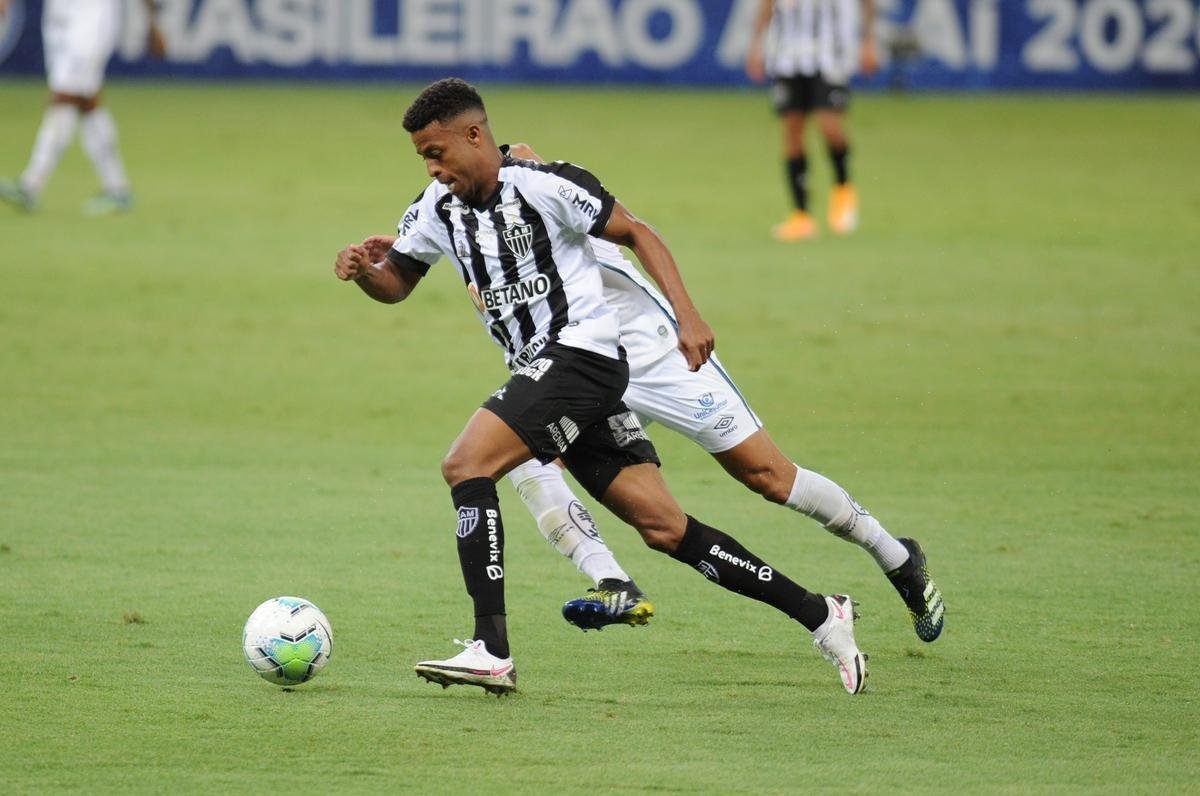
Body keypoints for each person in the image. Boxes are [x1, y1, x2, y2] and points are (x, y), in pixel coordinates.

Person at [335, 78, 869, 696]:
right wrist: (364, 273)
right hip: (553, 371)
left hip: (580, 356)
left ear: (474, 135)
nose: (431, 167)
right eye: (422, 158)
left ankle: (492, 650)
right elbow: (398, 281)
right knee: (665, 528)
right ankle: (821, 614)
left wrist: (688, 316)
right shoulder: (436, 208)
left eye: (436, 152)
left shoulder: (543, 186)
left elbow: (638, 232)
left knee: (466, 464)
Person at [0, 0, 165, 215]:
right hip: (57, 16)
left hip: (92, 17)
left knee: (65, 95)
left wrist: (152, 21)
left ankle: (31, 184)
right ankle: (117, 187)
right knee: (87, 101)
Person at [745, 0, 877, 241]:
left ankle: (843, 187)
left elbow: (867, 3)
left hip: (831, 55)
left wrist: (868, 40)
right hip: (787, 56)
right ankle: (801, 215)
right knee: (792, 133)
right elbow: (766, 4)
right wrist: (756, 44)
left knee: (830, 127)